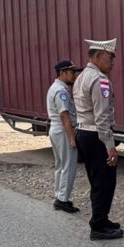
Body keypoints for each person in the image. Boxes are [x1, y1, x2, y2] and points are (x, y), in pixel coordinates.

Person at [73, 38, 122, 240]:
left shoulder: (82, 76)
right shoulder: (99, 79)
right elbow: (102, 117)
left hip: (85, 133)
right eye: (110, 58)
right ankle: (99, 226)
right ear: (98, 56)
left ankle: (101, 219)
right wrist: (110, 146)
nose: (112, 63)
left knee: (97, 181)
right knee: (105, 181)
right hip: (96, 136)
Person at [48, 59, 84, 214]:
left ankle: (59, 197)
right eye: (71, 72)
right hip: (63, 130)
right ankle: (63, 200)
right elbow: (64, 115)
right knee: (68, 166)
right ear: (62, 73)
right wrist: (71, 137)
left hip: (57, 130)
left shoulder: (56, 88)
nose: (74, 75)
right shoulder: (60, 91)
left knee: (60, 166)